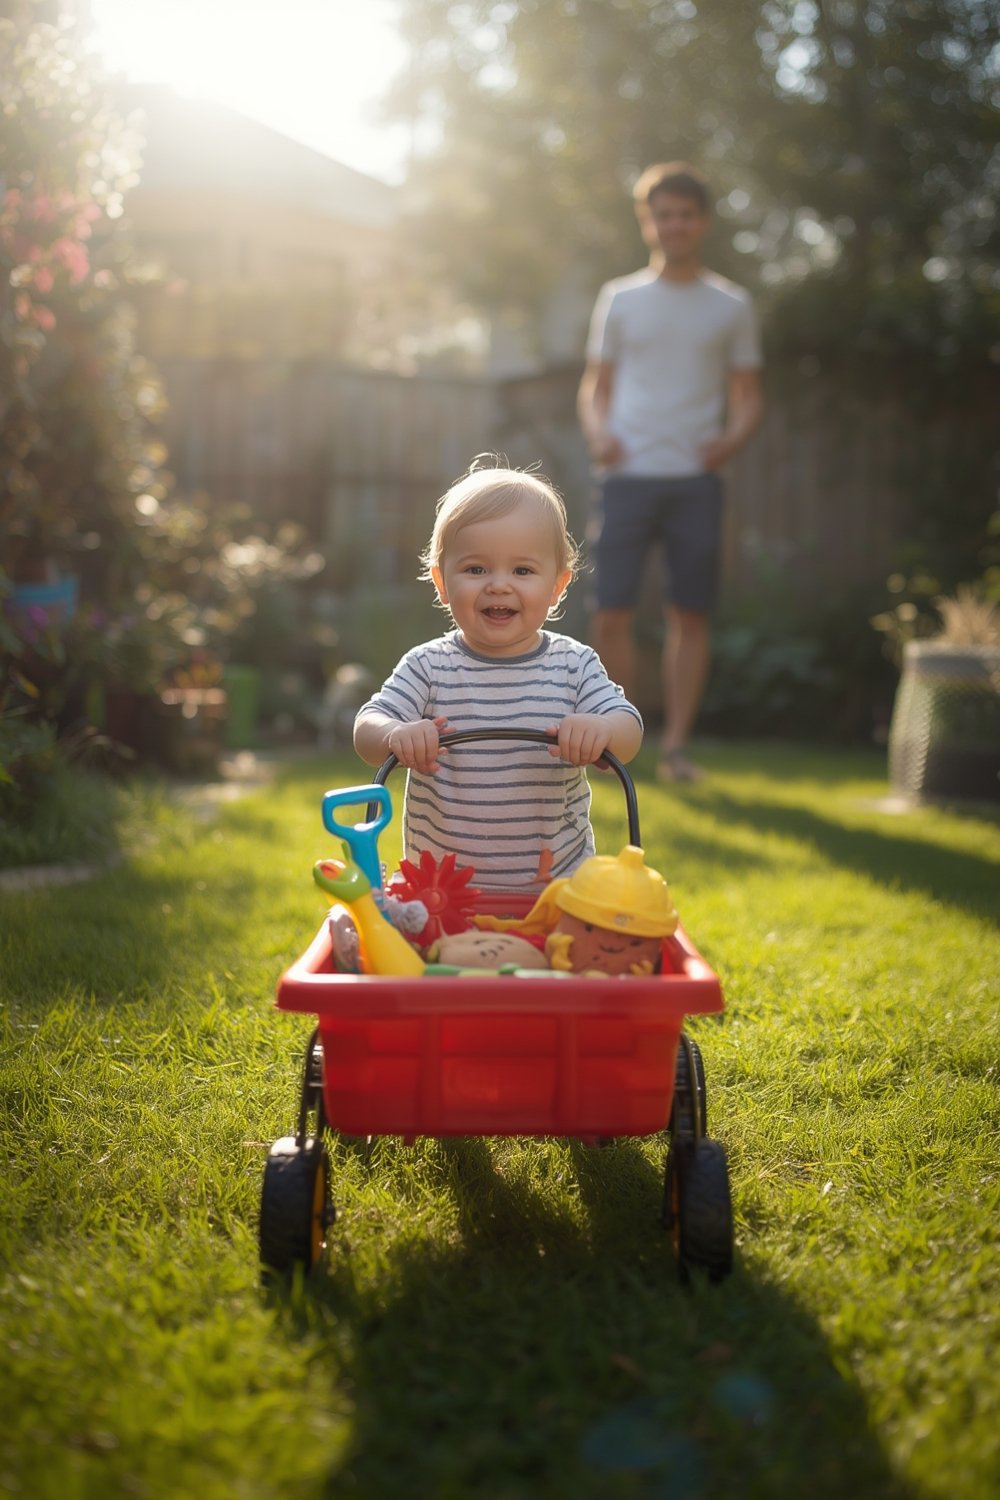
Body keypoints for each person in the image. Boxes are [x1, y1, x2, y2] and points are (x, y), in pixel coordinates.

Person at [353, 459, 643, 890]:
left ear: (557, 586)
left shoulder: (574, 665)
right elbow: (366, 728)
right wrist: (396, 735)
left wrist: (601, 729)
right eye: (476, 569)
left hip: (558, 893)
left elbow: (630, 730)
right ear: (441, 582)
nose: (498, 585)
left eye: (522, 570)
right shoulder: (428, 666)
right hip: (443, 896)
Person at [578, 161, 764, 782]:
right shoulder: (619, 297)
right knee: (612, 613)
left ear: (702, 222)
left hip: (694, 481)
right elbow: (593, 387)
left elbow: (748, 396)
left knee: (690, 615)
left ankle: (677, 747)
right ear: (648, 222)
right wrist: (599, 433)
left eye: (686, 214)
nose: (675, 224)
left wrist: (730, 440)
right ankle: (616, 743)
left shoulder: (730, 305)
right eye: (664, 214)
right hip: (627, 475)